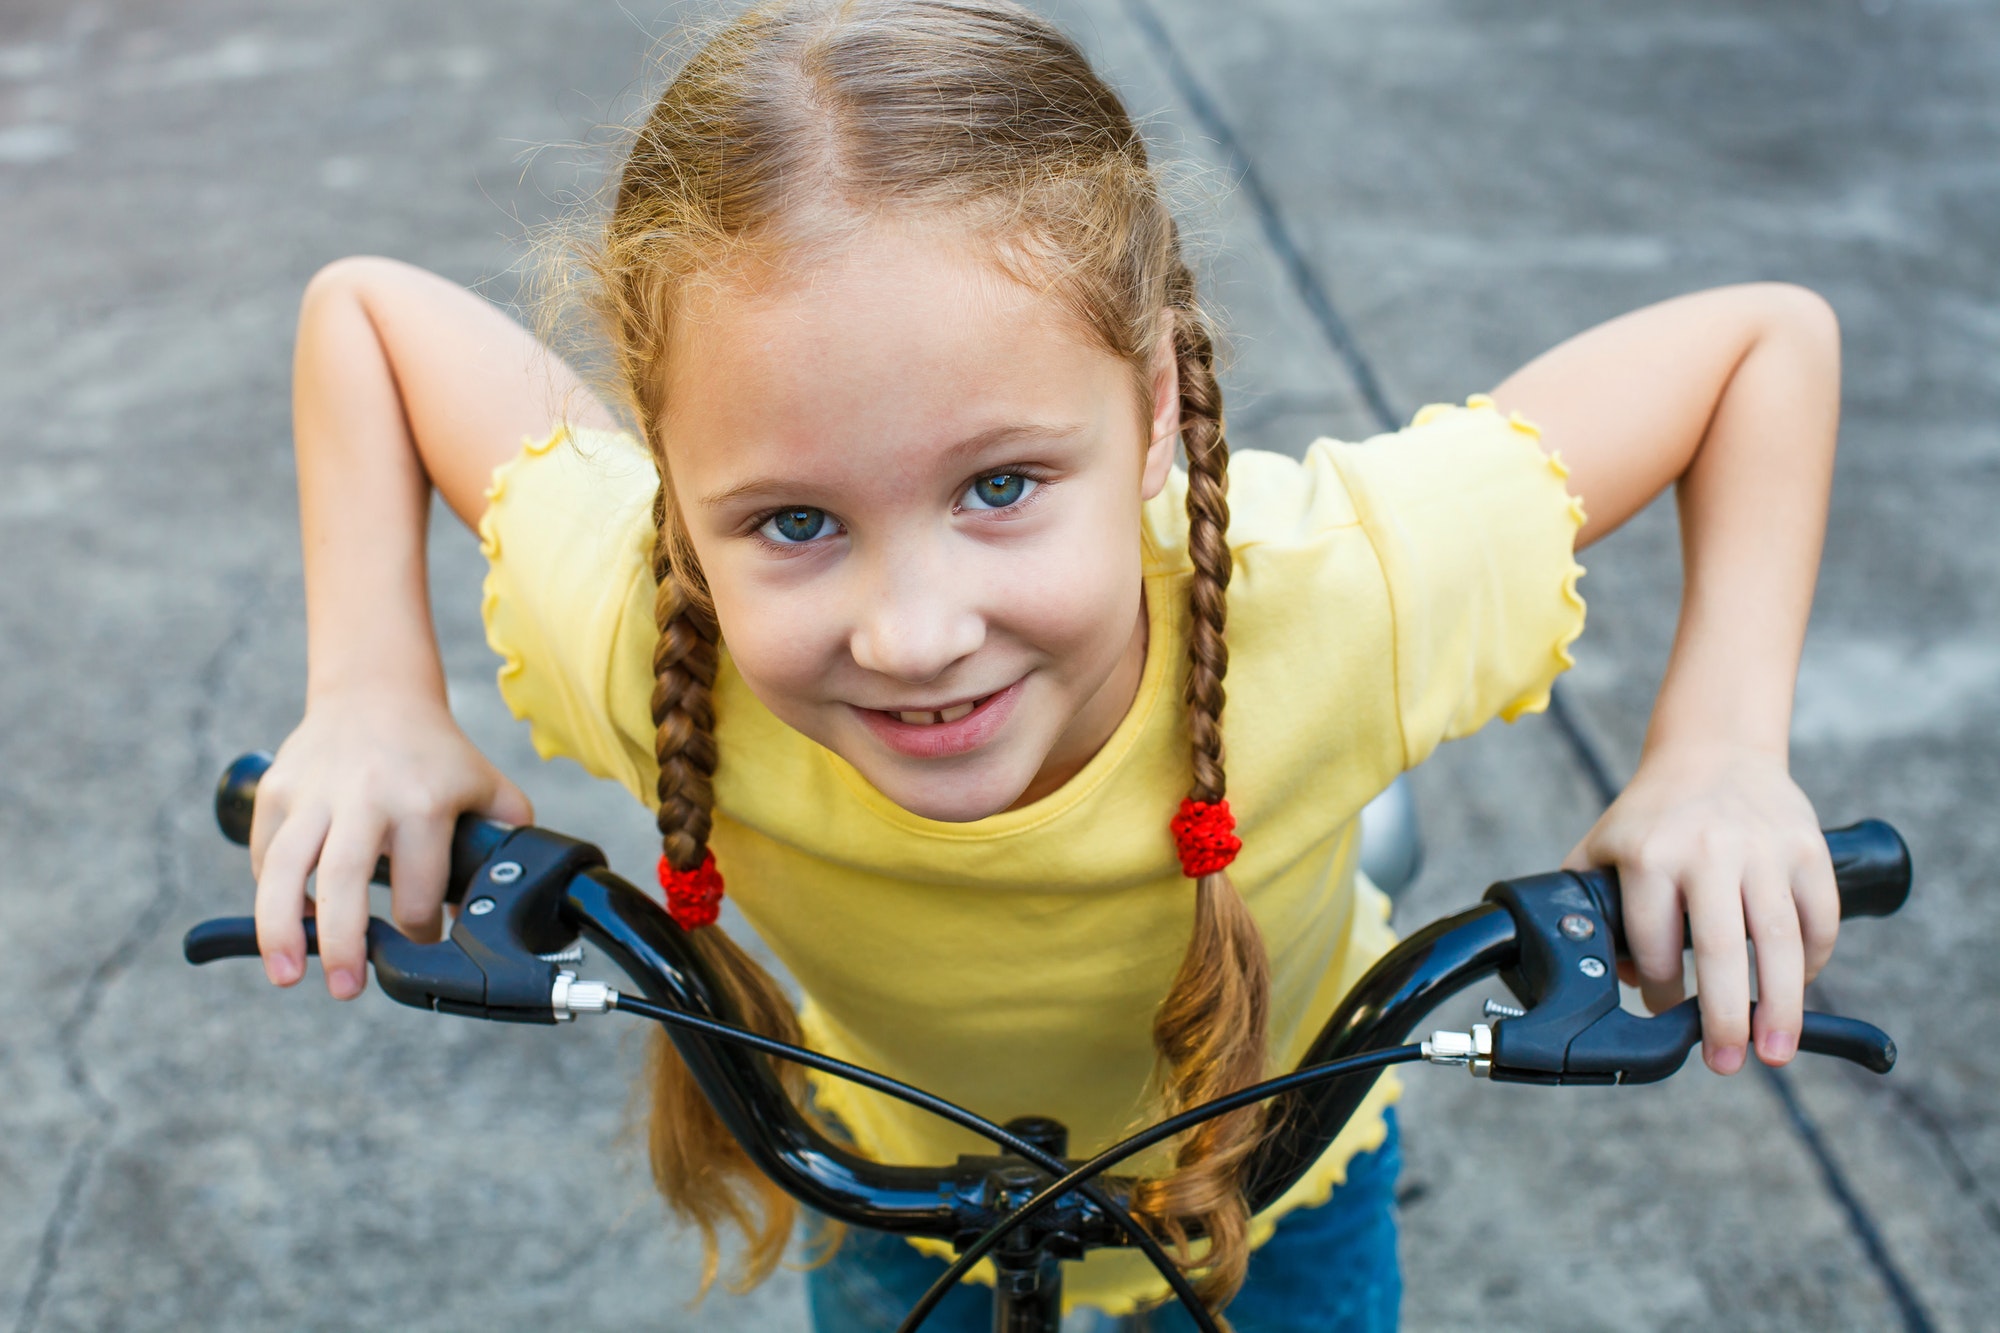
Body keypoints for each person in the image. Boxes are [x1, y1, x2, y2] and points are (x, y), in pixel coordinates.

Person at [244, 1, 1844, 1328]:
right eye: (795, 518)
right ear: (671, 478)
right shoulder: (650, 619)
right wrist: (376, 693)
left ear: (1153, 413)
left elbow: (1762, 345)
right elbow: (368, 317)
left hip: (1272, 1196)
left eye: (999, 486)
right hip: (888, 1187)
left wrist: (1716, 751)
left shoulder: (1341, 589)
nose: (914, 633)